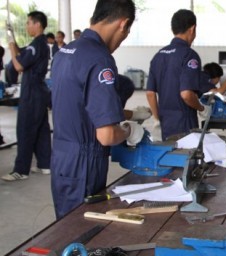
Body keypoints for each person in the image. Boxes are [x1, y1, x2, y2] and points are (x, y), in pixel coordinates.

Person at [50, 0, 145, 219]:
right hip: (84, 162)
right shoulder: (100, 59)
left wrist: (127, 114)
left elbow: (82, 108)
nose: (121, 40)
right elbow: (107, 135)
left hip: (62, 157)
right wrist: (129, 130)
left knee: (65, 226)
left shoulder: (65, 52)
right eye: (126, 33)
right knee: (82, 231)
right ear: (123, 24)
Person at [1, 11, 52, 182]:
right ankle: (45, 164)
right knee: (41, 129)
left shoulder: (37, 44)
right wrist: (12, 41)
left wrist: (10, 48)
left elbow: (19, 66)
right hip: (40, 92)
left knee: (25, 129)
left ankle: (21, 170)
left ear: (37, 24)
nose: (27, 26)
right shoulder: (40, 44)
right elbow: (22, 53)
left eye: (28, 23)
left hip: (32, 93)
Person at [146, 9, 208, 141]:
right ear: (192, 29)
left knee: (169, 157)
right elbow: (186, 94)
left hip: (166, 123)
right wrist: (202, 108)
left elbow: (150, 93)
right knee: (187, 159)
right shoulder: (189, 55)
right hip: (184, 123)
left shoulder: (158, 55)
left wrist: (157, 118)